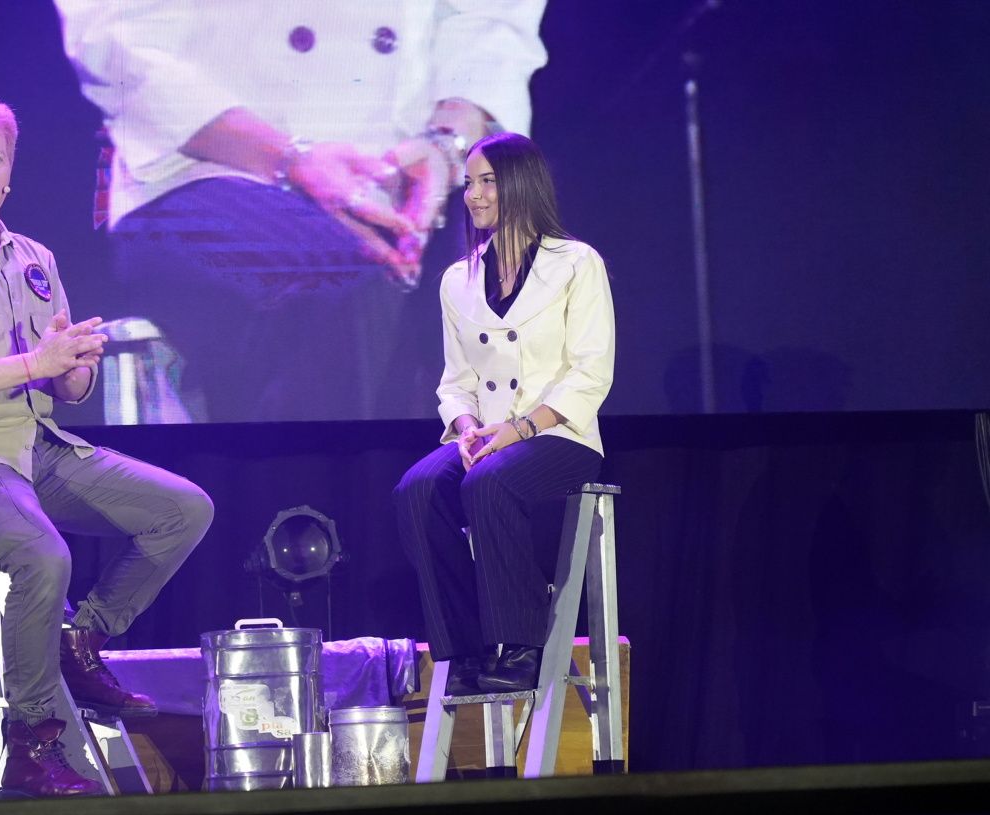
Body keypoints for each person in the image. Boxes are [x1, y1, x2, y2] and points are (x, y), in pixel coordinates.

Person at [0, 95, 214, 797]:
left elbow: (66, 382)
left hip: (36, 445)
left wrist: (76, 365)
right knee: (42, 554)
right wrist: (39, 364)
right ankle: (32, 741)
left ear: (11, 168)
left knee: (185, 509)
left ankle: (82, 636)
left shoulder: (34, 259)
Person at [55, 1, 548, 423]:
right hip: (200, 164)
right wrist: (289, 159)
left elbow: (491, 21)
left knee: (518, 294)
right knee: (340, 281)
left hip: (409, 165)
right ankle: (303, 519)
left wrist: (447, 145)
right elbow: (116, 38)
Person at [393, 132, 615, 695]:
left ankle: (523, 645)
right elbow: (456, 383)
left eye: (488, 181)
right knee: (416, 490)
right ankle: (462, 650)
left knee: (490, 484)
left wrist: (518, 429)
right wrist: (466, 428)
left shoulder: (575, 264)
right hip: (489, 436)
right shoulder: (457, 280)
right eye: (469, 182)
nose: (474, 194)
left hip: (559, 434)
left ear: (521, 183)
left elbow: (591, 373)